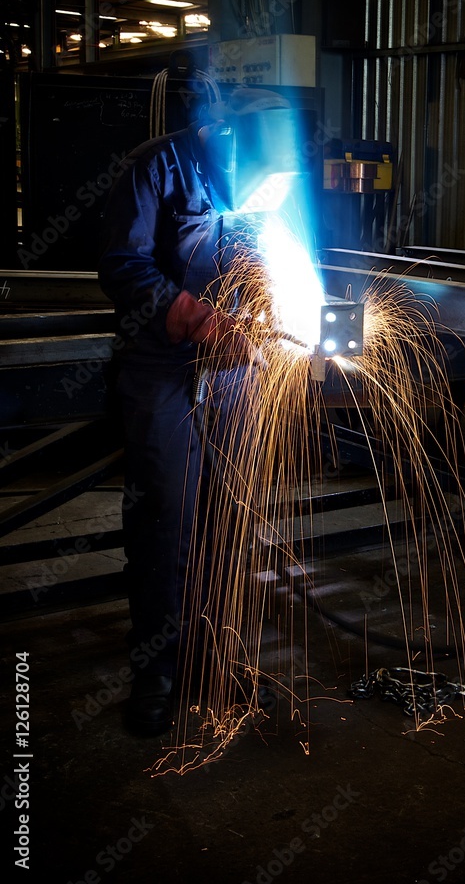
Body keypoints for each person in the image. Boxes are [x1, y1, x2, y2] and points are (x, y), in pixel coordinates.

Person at [98, 89, 288, 736]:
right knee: (165, 519)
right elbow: (124, 265)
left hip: (236, 368)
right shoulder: (154, 167)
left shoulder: (265, 171)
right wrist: (197, 317)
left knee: (231, 517)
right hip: (161, 366)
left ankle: (224, 662)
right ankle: (158, 670)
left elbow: (258, 250)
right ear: (218, 130)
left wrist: (270, 298)